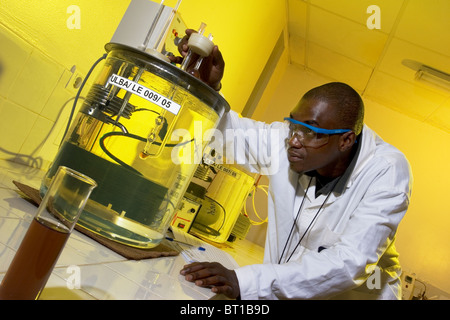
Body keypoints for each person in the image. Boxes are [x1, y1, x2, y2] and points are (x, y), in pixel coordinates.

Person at [172, 30, 413, 300]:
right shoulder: (290, 139)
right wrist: (207, 89)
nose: (295, 140)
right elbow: (228, 135)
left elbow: (349, 262)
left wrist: (244, 281)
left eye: (311, 131)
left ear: (345, 140)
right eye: (293, 125)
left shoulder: (386, 170)